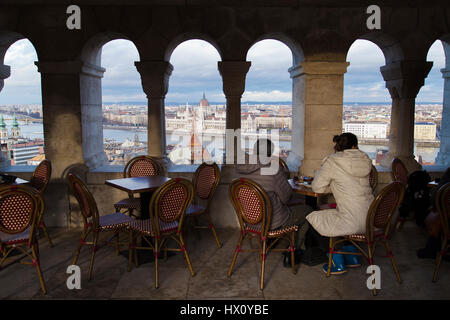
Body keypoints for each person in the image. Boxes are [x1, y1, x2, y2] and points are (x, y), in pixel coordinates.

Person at [234, 138, 313, 265]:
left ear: (254, 151)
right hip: (271, 223)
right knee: (309, 210)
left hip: (249, 222)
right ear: (270, 154)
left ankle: (272, 242)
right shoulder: (273, 169)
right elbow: (286, 198)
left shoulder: (239, 169)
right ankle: (292, 251)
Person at [306, 132, 374, 274]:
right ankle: (352, 258)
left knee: (313, 218)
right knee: (338, 215)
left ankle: (336, 261)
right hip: (372, 217)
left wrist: (328, 180)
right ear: (355, 146)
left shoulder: (333, 161)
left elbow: (317, 188)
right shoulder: (365, 160)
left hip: (352, 221)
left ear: (337, 146)